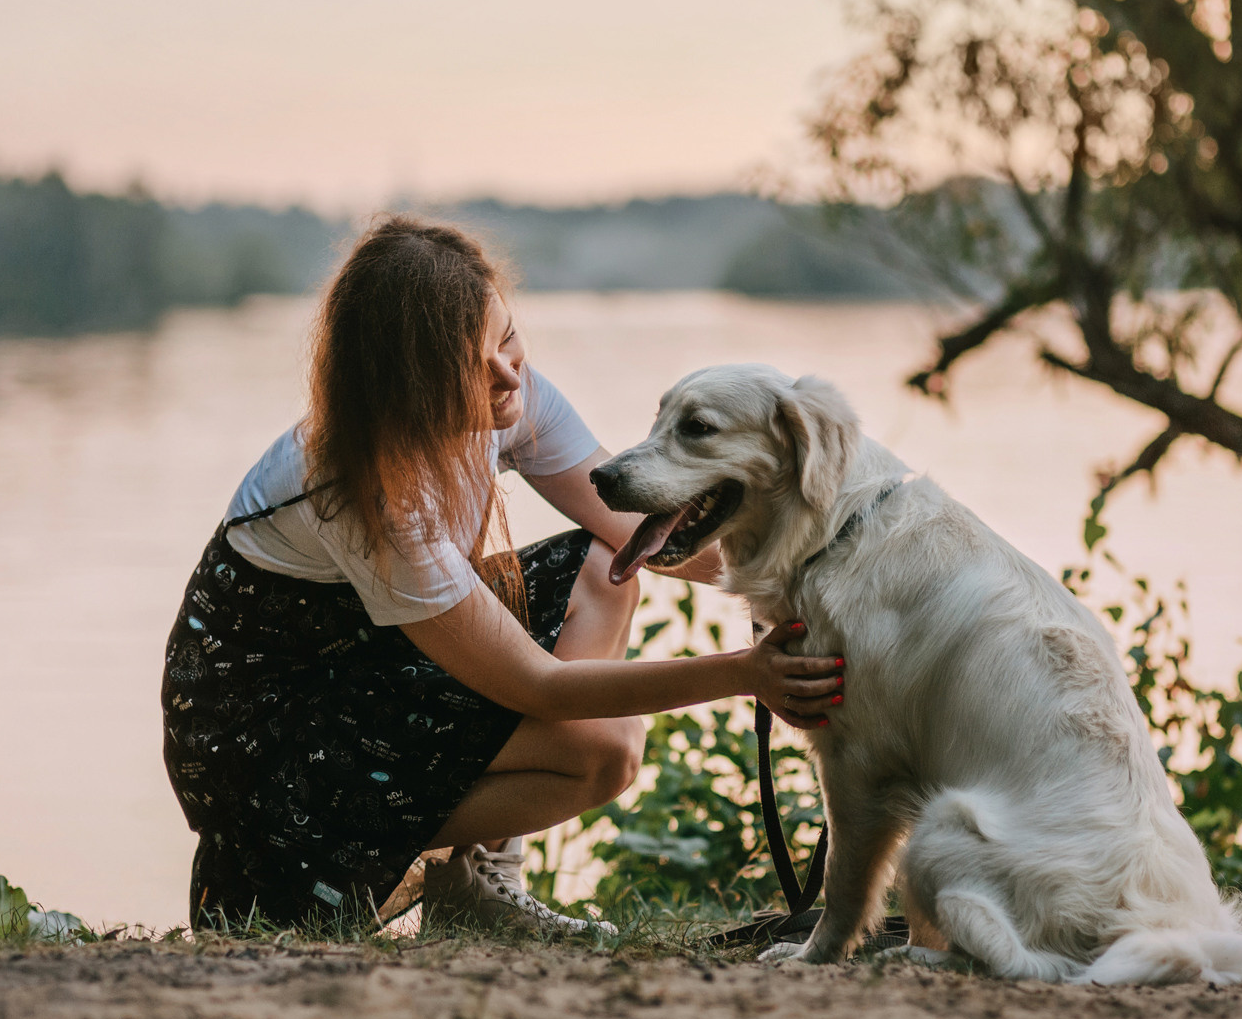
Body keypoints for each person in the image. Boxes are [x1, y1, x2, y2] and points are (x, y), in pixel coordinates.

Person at [161, 216, 845, 933]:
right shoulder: (371, 493)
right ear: (409, 386)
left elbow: (640, 532)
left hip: (363, 662)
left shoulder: (507, 399)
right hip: (264, 738)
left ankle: (479, 877)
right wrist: (747, 672)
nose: (510, 374)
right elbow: (538, 686)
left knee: (603, 573)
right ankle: (362, 860)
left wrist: (817, 576)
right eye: (471, 364)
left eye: (508, 337)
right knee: (605, 752)